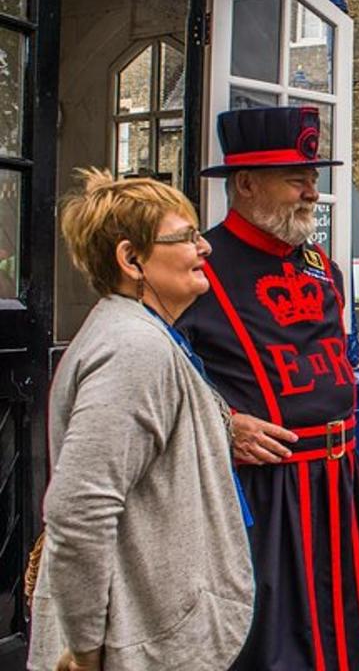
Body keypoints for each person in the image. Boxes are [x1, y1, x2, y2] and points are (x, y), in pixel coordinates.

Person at [175, 106, 359, 670]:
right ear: (246, 183)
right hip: (266, 495)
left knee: (352, 632)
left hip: (340, 482)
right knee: (276, 643)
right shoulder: (200, 270)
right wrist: (223, 425)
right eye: (297, 179)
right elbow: (162, 378)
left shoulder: (321, 267)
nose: (311, 193)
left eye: (313, 179)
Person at [30, 170, 253, 671]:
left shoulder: (140, 333)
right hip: (129, 648)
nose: (205, 248)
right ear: (131, 259)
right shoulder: (134, 347)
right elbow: (78, 510)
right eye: (186, 237)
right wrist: (86, 651)